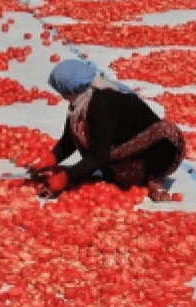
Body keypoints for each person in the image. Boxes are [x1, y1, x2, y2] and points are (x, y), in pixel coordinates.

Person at [27, 60, 186, 201]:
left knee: (163, 134)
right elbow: (69, 141)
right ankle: (132, 177)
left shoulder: (101, 103)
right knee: (105, 172)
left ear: (71, 89)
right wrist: (49, 160)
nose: (61, 95)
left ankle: (153, 177)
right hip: (122, 153)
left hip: (154, 153)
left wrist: (67, 177)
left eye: (62, 91)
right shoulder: (80, 104)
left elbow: (99, 156)